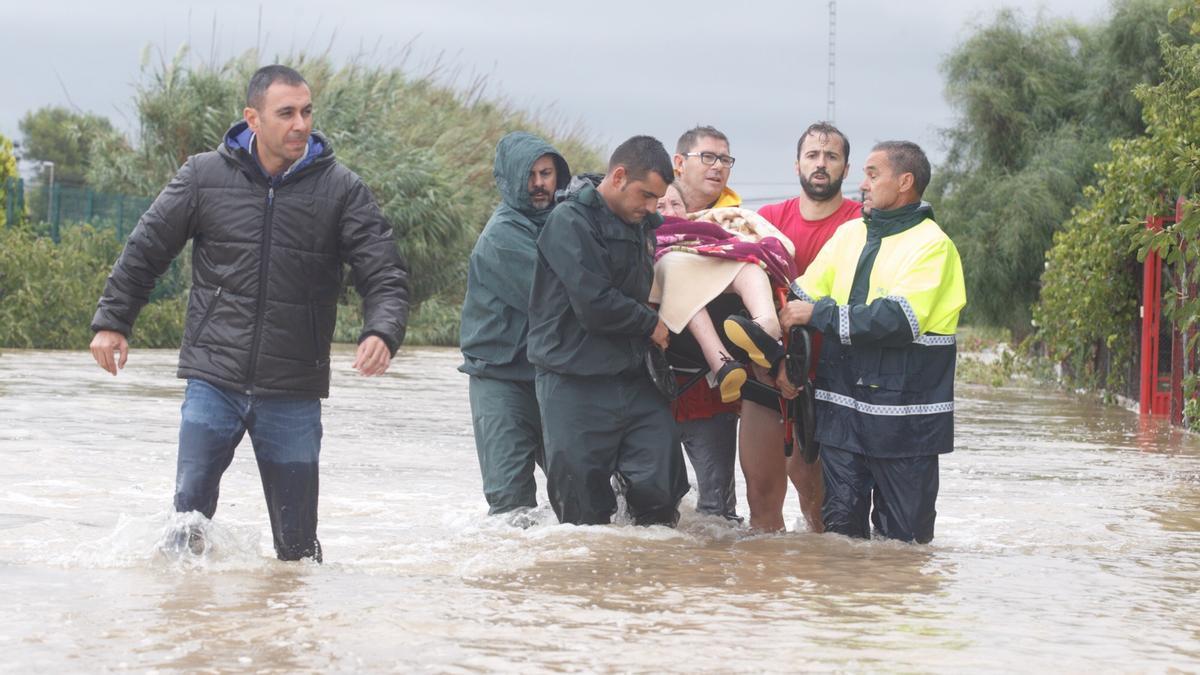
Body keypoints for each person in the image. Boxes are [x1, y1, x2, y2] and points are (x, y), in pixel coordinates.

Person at [88, 65, 410, 561]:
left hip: (293, 387)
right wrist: (113, 321)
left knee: (298, 549)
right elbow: (147, 249)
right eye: (286, 113)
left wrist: (382, 331)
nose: (300, 123)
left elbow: (384, 270)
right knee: (186, 526)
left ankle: (291, 630)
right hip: (213, 377)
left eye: (306, 112)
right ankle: (182, 625)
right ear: (253, 118)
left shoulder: (341, 189)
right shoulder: (203, 175)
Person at [779, 140, 966, 543]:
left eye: (872, 174)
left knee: (904, 547)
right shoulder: (849, 235)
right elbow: (800, 298)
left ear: (905, 182)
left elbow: (898, 320)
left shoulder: (934, 246)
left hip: (905, 425)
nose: (861, 184)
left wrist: (820, 314)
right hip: (842, 417)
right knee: (840, 543)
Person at [527, 135, 689, 526]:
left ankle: (654, 583)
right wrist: (650, 323)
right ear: (618, 176)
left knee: (662, 493)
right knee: (583, 514)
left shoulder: (642, 223)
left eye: (659, 199)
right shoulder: (569, 221)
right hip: (573, 379)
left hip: (633, 377)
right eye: (646, 196)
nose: (653, 208)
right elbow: (594, 304)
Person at [737, 122, 862, 533]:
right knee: (761, 495)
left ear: (846, 168)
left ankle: (817, 583)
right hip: (767, 370)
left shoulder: (862, 223)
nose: (821, 164)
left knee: (814, 494)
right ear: (797, 165)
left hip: (834, 377)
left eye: (831, 157)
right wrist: (767, 365)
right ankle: (770, 588)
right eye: (812, 155)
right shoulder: (768, 220)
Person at [459, 132, 569, 518]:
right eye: (530, 175)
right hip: (500, 379)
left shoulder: (564, 221)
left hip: (550, 374)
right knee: (510, 503)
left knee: (576, 495)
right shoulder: (501, 237)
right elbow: (554, 299)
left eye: (547, 173)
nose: (539, 184)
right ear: (509, 179)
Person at [663, 126, 744, 521]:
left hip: (712, 385)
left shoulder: (738, 221)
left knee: (718, 512)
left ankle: (716, 580)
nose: (717, 167)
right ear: (679, 163)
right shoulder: (645, 205)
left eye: (725, 160)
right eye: (707, 157)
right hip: (647, 381)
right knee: (640, 503)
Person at [652, 183, 795, 403]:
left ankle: (764, 326)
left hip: (712, 272)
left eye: (675, 204)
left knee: (749, 260)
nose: (670, 212)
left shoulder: (704, 226)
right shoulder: (644, 236)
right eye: (660, 206)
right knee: (673, 263)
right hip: (677, 319)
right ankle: (722, 363)